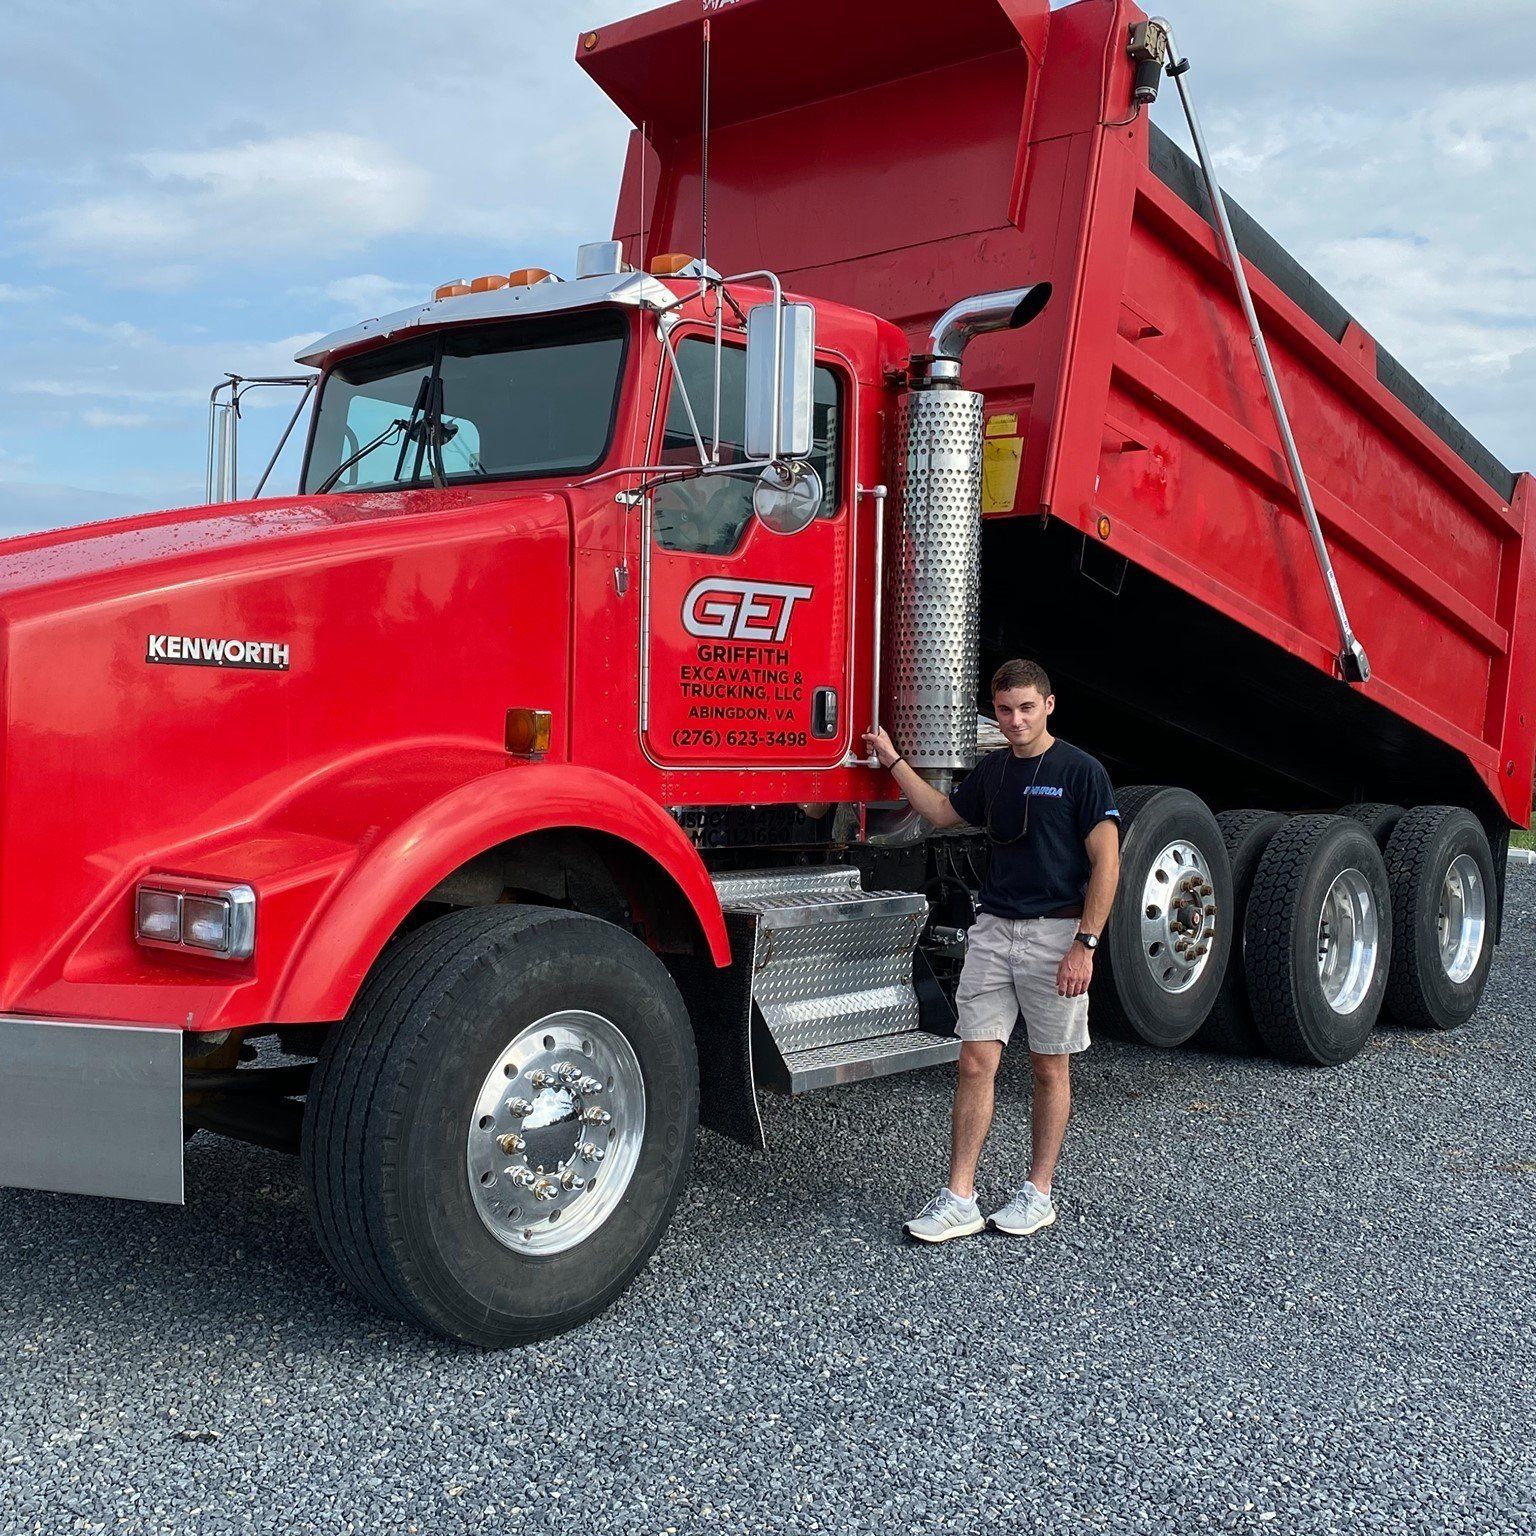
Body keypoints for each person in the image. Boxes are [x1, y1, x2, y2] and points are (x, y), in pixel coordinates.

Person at [863, 658, 1120, 1242]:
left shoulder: (1082, 772)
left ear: (1049, 705)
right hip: (993, 931)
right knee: (975, 1060)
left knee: (1049, 1064)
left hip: (1057, 934)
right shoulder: (995, 772)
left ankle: (1038, 1193)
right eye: (1005, 710)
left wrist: (1086, 942)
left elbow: (1108, 862)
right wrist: (894, 760)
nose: (1015, 720)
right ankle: (960, 1199)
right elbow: (942, 813)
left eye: (1027, 708)